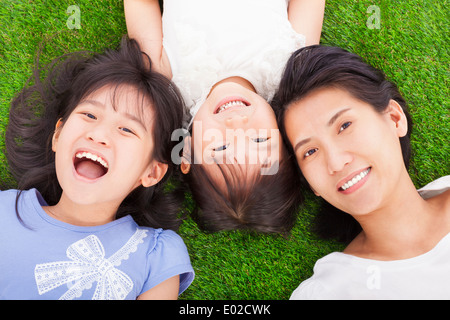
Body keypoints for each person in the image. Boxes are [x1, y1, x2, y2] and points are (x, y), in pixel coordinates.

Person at [1, 37, 194, 300]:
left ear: (151, 173)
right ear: (58, 135)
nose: (99, 134)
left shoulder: (156, 256)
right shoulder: (4, 211)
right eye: (90, 115)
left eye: (127, 129)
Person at [124, 0, 325, 233]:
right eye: (260, 140)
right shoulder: (292, 66)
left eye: (220, 148)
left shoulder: (164, 76)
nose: (236, 123)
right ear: (284, 135)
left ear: (187, 151)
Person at [271, 45, 450, 299]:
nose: (335, 162)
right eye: (310, 152)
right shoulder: (329, 292)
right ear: (312, 186)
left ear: (394, 119)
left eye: (344, 125)